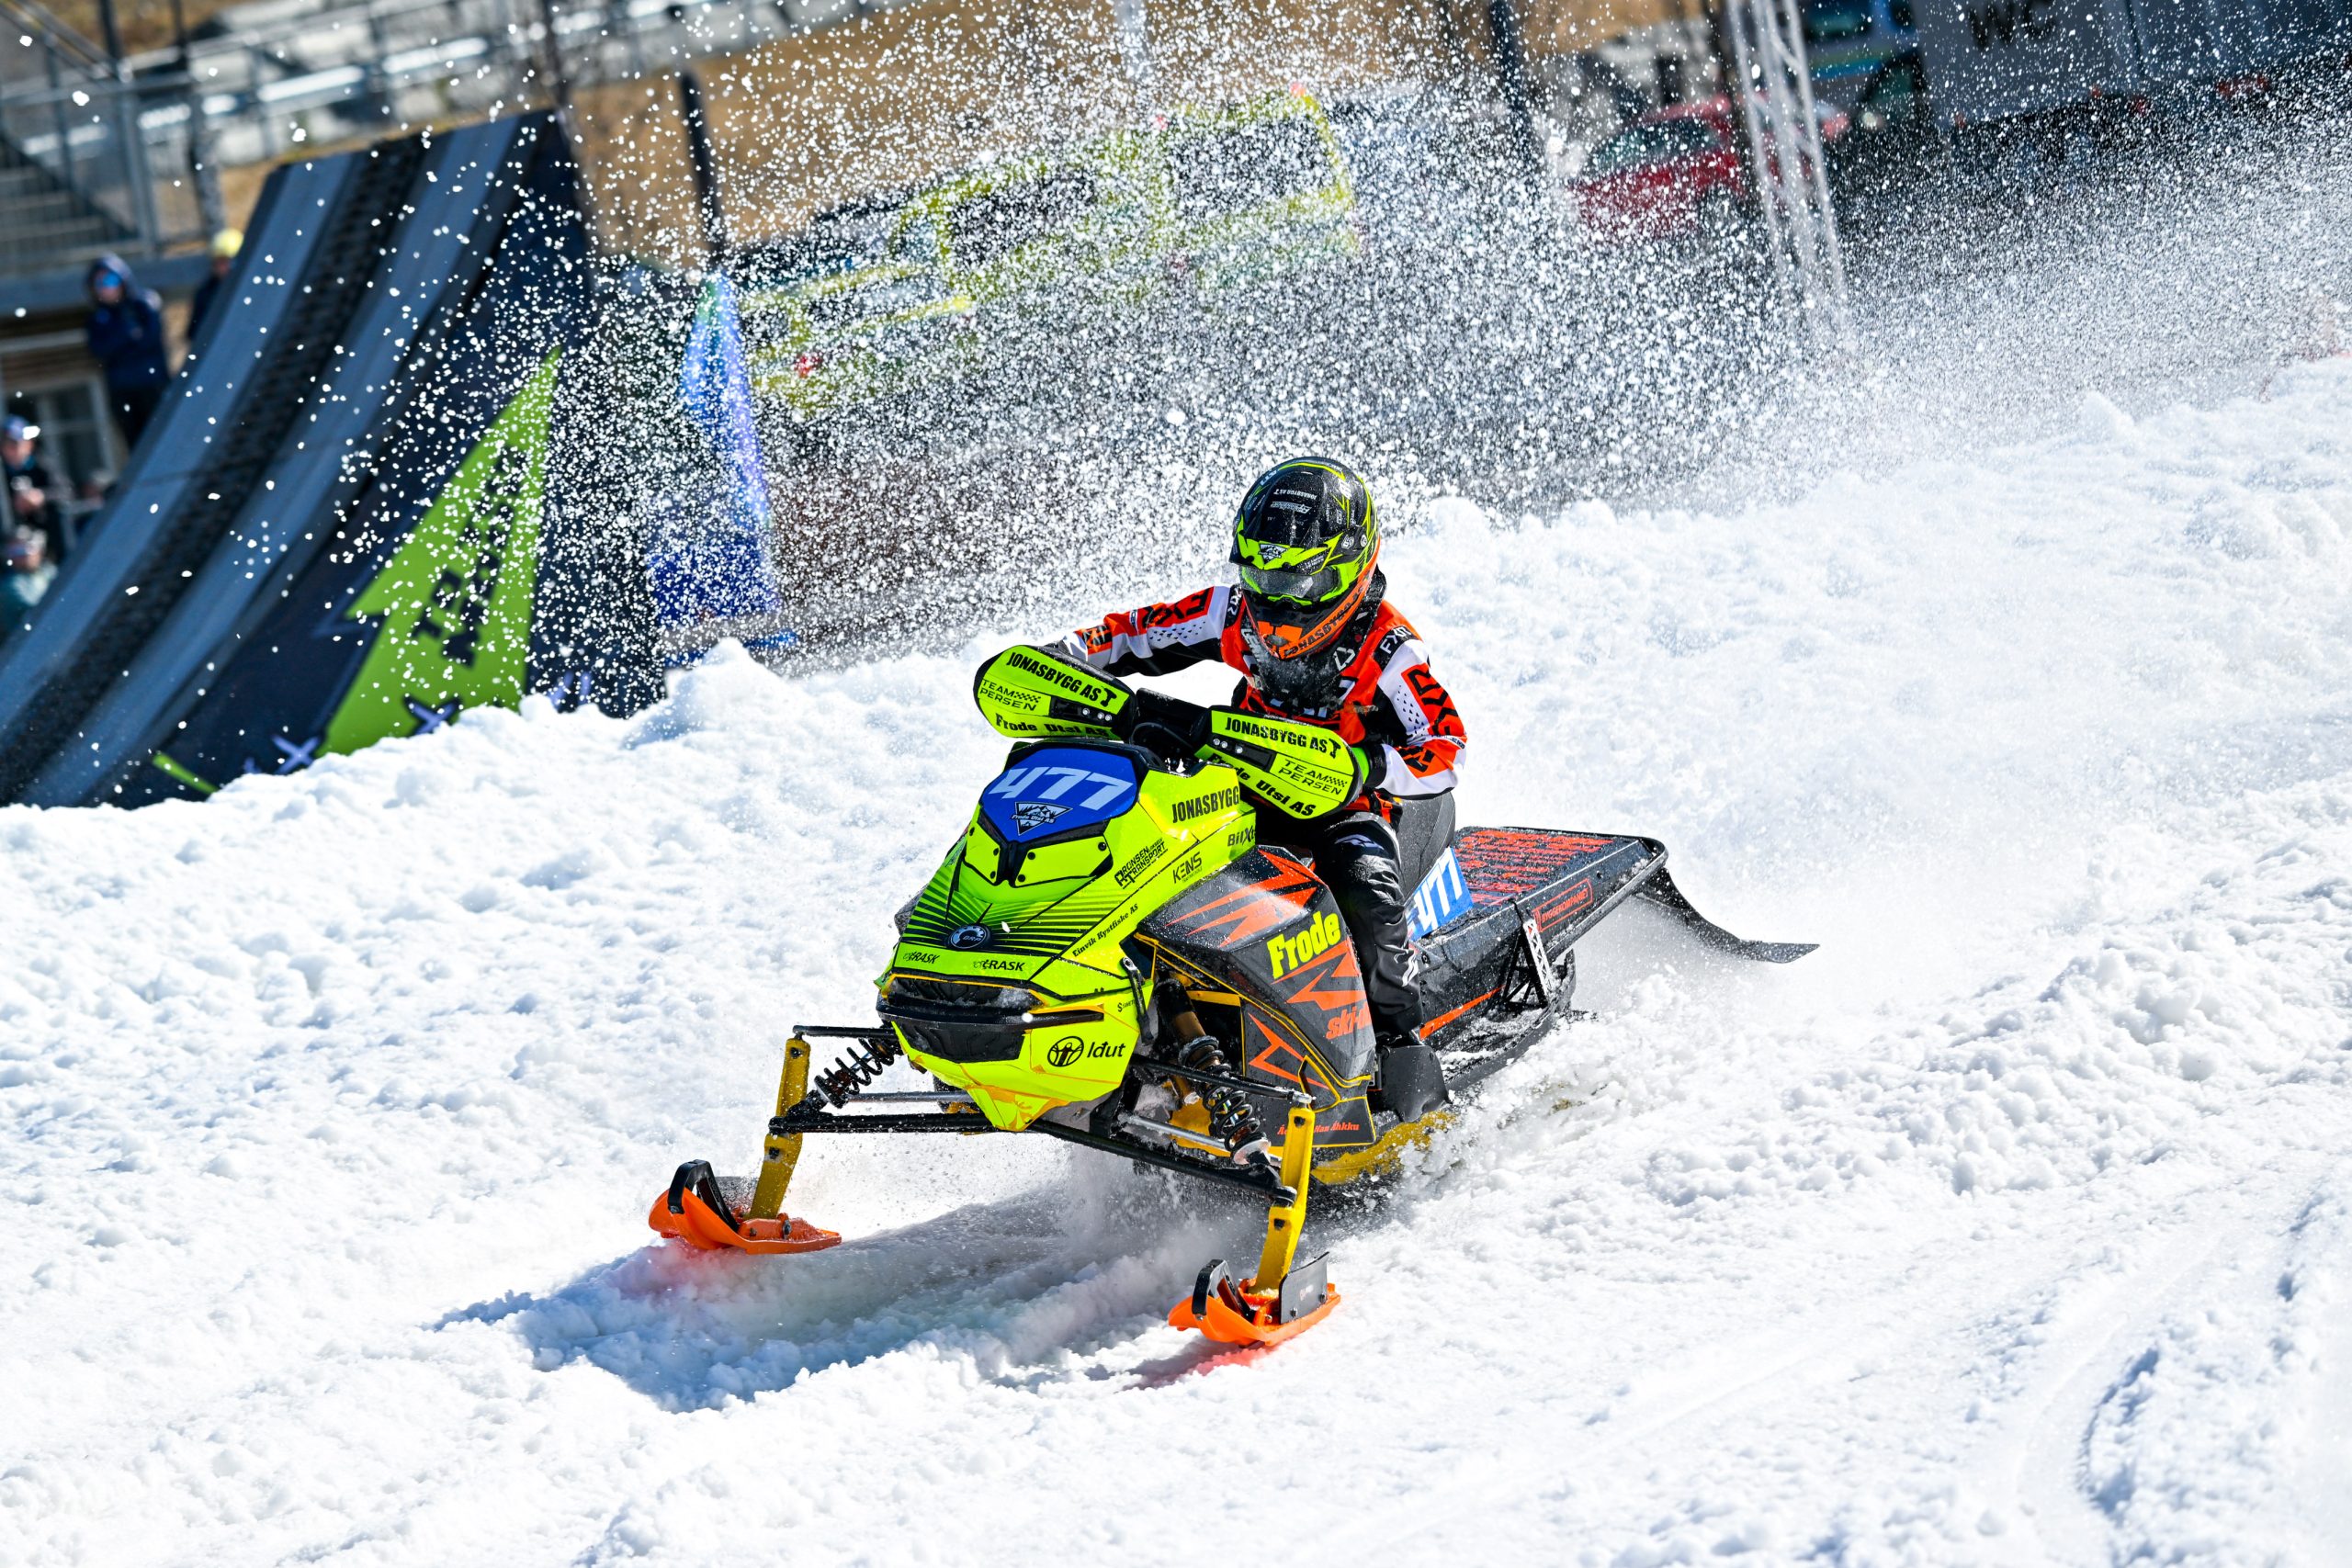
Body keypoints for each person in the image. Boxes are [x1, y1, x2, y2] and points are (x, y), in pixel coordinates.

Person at [1062, 457, 1467, 1119]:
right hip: (1243, 789)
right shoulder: (1232, 612)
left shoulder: (1390, 649)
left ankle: (1401, 1048)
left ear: (1350, 567)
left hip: (1347, 806)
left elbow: (1445, 747)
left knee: (1363, 889)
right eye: (1265, 578)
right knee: (1140, 843)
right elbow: (1130, 633)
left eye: (1300, 581)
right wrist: (1069, 653)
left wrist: (1366, 765)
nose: (1280, 602)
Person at [85, 254, 171, 453]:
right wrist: (128, 337)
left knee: (163, 439)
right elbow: (99, 350)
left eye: (111, 280)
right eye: (99, 283)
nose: (106, 288)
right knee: (138, 447)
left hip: (153, 386)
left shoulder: (144, 305)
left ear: (123, 280)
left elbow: (150, 341)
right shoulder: (98, 319)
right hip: (122, 392)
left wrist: (121, 345)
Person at [2, 416, 64, 564]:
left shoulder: (43, 465)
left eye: (15, 444)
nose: (11, 449)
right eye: (5, 444)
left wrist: (40, 496)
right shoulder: (3, 471)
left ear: (28, 444)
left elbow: (66, 492)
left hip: (48, 537)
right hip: (11, 543)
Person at [187, 228, 243, 343]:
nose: (224, 268)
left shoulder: (252, 289)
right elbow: (194, 333)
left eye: (228, 261)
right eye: (219, 262)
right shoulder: (206, 293)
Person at [2, 527, 55, 636]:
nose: (25, 555)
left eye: (29, 548)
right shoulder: (10, 586)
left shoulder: (49, 572)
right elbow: (38, 611)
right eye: (17, 552)